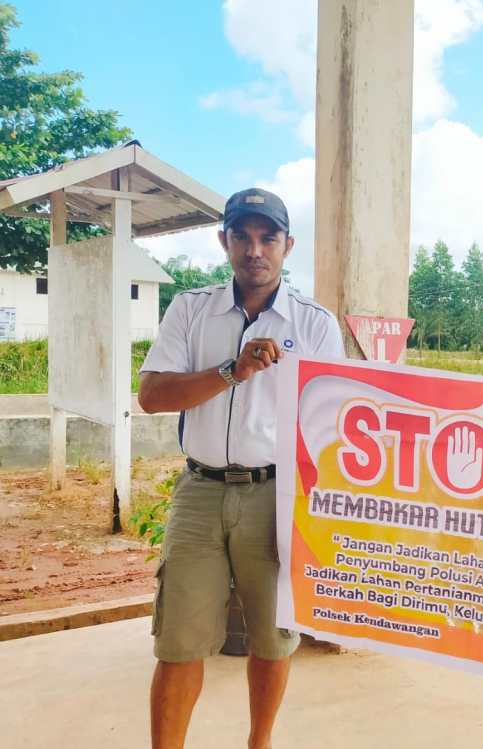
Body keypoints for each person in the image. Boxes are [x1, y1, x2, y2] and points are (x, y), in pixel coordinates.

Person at [138, 188, 344, 749]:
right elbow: (152, 396)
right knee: (178, 643)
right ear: (223, 241)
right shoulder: (190, 309)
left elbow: (335, 421)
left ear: (287, 245)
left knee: (273, 640)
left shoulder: (315, 324)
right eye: (242, 237)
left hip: (276, 495)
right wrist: (232, 370)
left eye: (267, 238)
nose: (255, 250)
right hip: (200, 493)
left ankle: (260, 743)